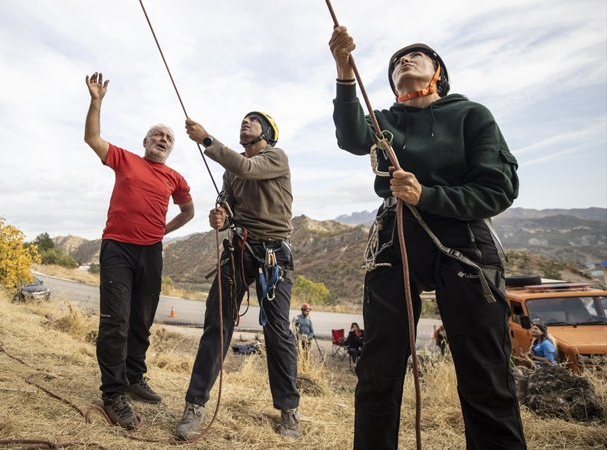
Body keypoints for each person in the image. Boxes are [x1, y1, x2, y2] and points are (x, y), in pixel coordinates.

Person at [329, 27, 527, 449]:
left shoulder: (472, 115)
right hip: (395, 234)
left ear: (438, 71)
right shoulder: (386, 121)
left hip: (465, 239)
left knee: (485, 371)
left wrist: (428, 195)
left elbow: (498, 189)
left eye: (417, 55)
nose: (405, 59)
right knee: (379, 368)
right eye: (397, 60)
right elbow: (350, 136)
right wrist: (344, 70)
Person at [174, 111, 300, 440]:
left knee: (277, 331)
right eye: (243, 119)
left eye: (253, 120)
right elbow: (228, 206)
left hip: (274, 254)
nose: (245, 122)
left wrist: (205, 138)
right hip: (240, 248)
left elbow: (247, 168)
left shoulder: (275, 157)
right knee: (218, 322)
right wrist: (222, 217)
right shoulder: (233, 171)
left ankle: (289, 409)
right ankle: (195, 406)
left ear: (268, 132)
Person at [84, 72, 195, 430]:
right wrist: (96, 101)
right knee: (116, 320)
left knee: (141, 322)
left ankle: (133, 376)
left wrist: (164, 230)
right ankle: (113, 393)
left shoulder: (174, 177)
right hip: (118, 247)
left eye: (169, 138)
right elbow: (92, 137)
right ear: (145, 141)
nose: (163, 139)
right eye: (158, 135)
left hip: (151, 253)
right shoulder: (125, 159)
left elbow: (188, 212)